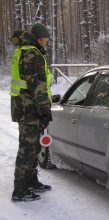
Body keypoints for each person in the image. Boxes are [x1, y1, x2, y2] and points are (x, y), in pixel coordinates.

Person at [10, 23, 53, 201]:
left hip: (25, 107)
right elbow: (37, 85)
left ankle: (31, 180)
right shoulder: (32, 54)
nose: (47, 42)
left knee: (33, 146)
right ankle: (19, 190)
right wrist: (44, 109)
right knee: (27, 148)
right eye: (46, 39)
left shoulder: (25, 50)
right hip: (30, 109)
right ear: (40, 38)